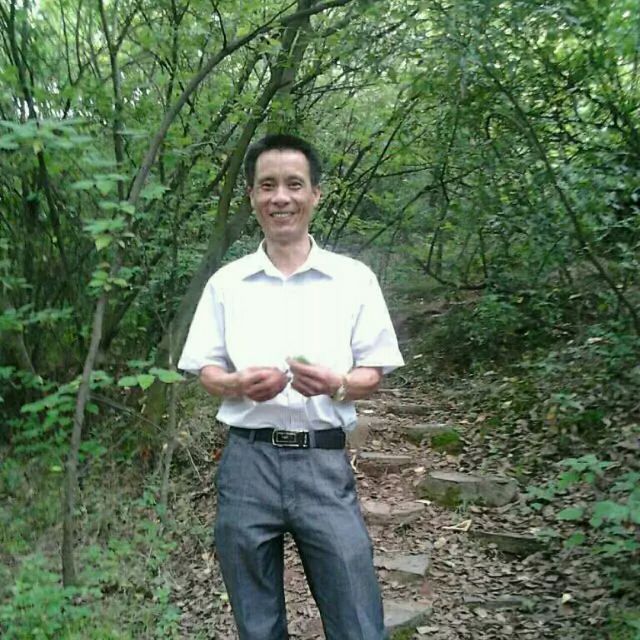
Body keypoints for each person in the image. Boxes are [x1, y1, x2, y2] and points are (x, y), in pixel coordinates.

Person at [178, 133, 404, 640]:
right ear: (252, 196)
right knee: (256, 623)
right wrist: (235, 383)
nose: (280, 197)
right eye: (267, 185)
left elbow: (374, 371)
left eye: (294, 184)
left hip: (322, 461)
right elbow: (206, 369)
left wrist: (337, 384)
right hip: (246, 463)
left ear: (315, 194)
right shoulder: (226, 284)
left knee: (357, 618)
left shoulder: (353, 279)